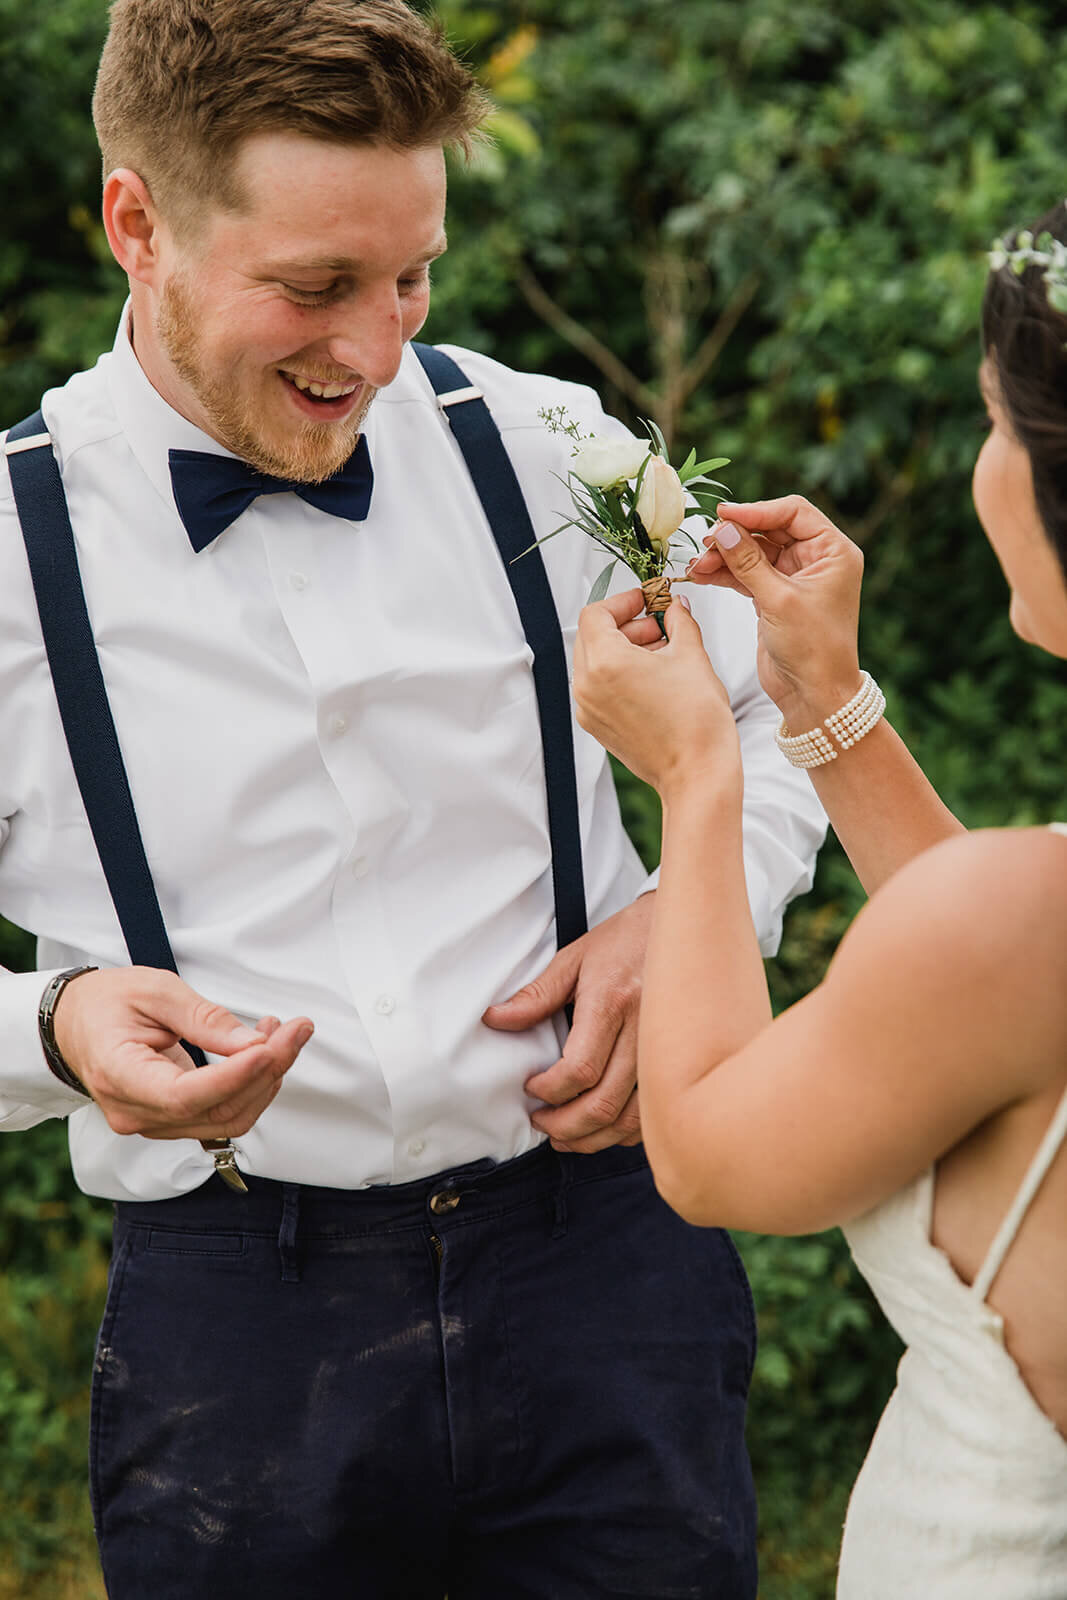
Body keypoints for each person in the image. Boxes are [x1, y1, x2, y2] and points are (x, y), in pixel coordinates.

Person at [0, 2, 827, 1595]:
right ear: (136, 224)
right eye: (312, 287)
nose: (375, 351)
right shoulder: (11, 558)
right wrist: (49, 1031)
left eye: (412, 276)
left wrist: (695, 914)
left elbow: (788, 705)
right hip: (235, 1330)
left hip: (610, 1270)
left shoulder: (540, 442)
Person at [572, 201, 1067, 1596]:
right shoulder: (1024, 929)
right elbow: (1004, 986)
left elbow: (709, 1151)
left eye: (994, 420)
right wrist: (823, 701)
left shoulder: (1023, 921)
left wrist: (697, 773)